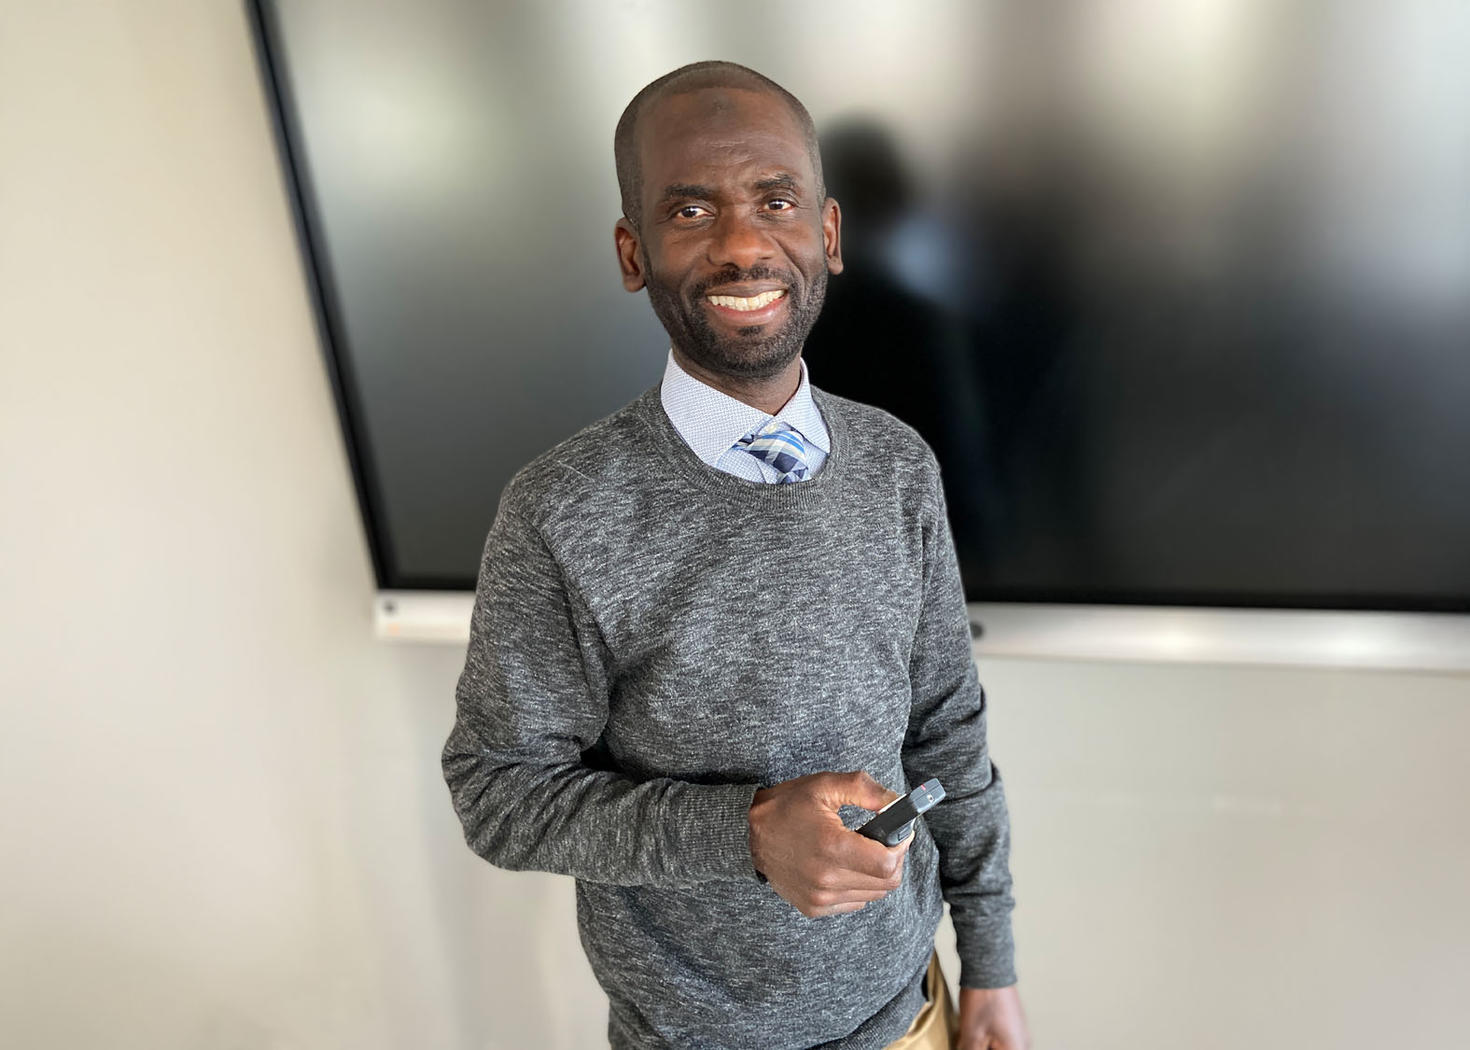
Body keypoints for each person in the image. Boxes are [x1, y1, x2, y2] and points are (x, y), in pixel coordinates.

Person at [442, 60, 1030, 1050]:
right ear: (633, 253)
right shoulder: (559, 515)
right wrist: (748, 832)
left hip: (912, 1017)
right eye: (688, 210)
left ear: (828, 234)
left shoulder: (897, 465)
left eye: (775, 199)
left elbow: (948, 730)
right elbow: (499, 793)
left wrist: (993, 962)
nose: (744, 243)